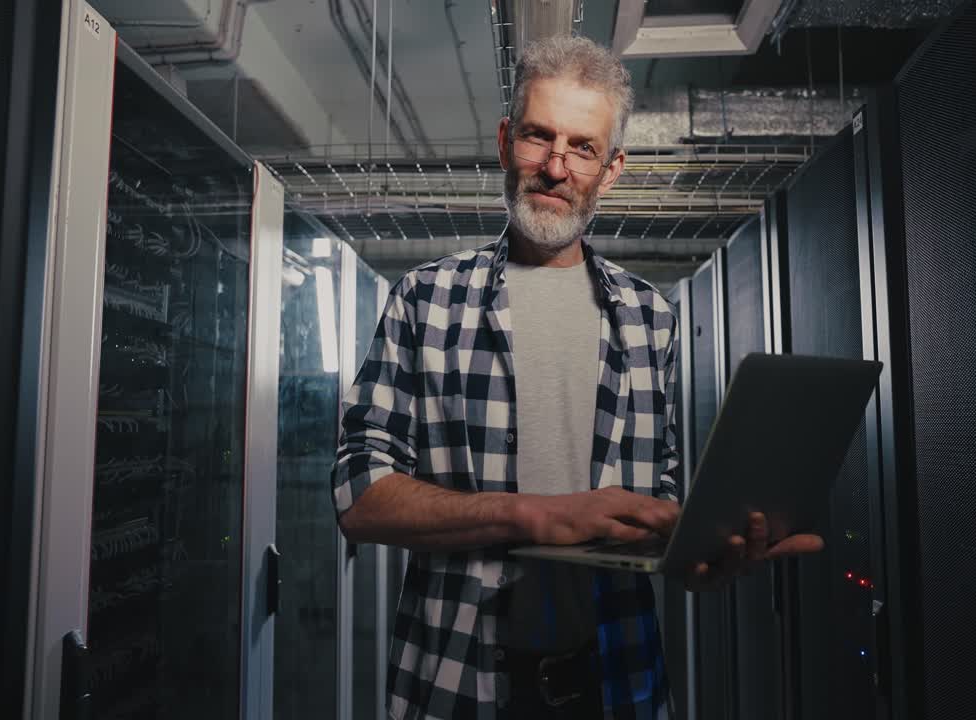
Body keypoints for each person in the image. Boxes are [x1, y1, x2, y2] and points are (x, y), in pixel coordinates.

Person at [334, 34, 823, 719]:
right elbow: (359, 497)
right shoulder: (426, 296)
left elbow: (658, 498)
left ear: (612, 167)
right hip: (456, 679)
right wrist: (536, 514)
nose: (556, 167)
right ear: (507, 141)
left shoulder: (651, 318)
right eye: (539, 137)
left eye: (583, 148)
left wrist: (702, 549)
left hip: (616, 679)